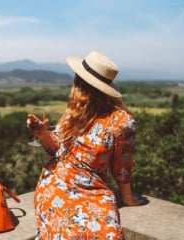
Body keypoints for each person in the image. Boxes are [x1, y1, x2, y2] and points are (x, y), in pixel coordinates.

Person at [27, 50, 146, 240]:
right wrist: (42, 135)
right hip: (57, 182)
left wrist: (127, 197)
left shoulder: (122, 122)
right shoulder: (73, 113)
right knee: (65, 233)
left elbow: (122, 166)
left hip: (95, 190)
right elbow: (57, 150)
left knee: (109, 236)